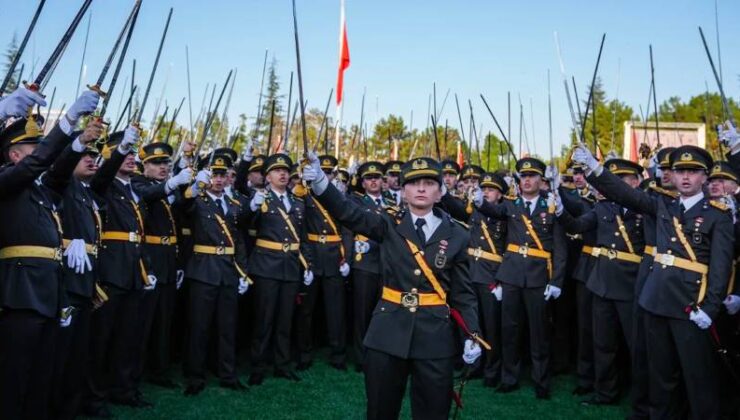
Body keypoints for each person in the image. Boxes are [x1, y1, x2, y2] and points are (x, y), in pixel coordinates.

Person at [303, 154, 483, 420]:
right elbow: (347, 212)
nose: (421, 188)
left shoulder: (457, 233)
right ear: (403, 191)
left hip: (435, 336)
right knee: (380, 410)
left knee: (433, 412)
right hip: (388, 331)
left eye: (428, 183)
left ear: (440, 191)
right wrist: (320, 182)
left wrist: (472, 333)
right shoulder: (387, 222)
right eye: (413, 183)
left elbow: (462, 293)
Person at [571, 143, 733, 419]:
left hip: (690, 305)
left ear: (704, 177)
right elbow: (624, 194)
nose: (685, 177)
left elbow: (720, 268)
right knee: (660, 374)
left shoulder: (718, 215)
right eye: (680, 171)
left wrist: (710, 307)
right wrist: (595, 168)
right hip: (655, 300)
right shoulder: (662, 205)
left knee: (697, 375)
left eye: (693, 172)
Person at [0, 87, 99, 420]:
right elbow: (41, 162)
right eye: (33, 146)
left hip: (49, 291)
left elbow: (56, 171)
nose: (41, 153)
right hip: (20, 293)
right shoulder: (7, 180)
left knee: (41, 378)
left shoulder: (41, 190)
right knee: (15, 380)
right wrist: (67, 119)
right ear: (14, 155)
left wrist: (78, 140)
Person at [473, 157, 567, 399]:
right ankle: (509, 377)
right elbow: (492, 209)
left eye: (532, 176)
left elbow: (560, 249)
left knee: (539, 333)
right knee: (509, 330)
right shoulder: (511, 205)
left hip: (538, 277)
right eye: (523, 176)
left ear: (540, 180)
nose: (527, 180)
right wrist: (479, 201)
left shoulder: (552, 206)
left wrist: (556, 281)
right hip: (511, 275)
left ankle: (541, 381)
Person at [556, 158, 646, 405]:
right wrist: (561, 211)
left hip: (631, 284)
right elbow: (577, 225)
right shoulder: (603, 208)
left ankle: (642, 399)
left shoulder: (644, 209)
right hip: (602, 282)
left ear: (636, 182)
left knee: (637, 346)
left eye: (621, 180)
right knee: (602, 343)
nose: (613, 186)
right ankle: (605, 392)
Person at [87, 125, 157, 411]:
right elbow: (103, 174)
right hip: (111, 271)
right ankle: (94, 396)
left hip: (133, 271)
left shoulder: (133, 190)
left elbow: (139, 234)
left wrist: (145, 267)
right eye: (124, 154)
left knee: (128, 337)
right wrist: (120, 150)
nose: (131, 159)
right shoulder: (103, 183)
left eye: (132, 155)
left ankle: (124, 389)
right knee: (102, 338)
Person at [52, 121, 107, 420]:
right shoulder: (61, 183)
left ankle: (72, 408)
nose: (91, 158)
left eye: (94, 155)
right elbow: (58, 170)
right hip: (65, 282)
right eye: (85, 153)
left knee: (78, 355)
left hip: (85, 281)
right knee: (63, 355)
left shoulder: (86, 192)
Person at [182, 155, 249, 395]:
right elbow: (182, 206)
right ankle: (195, 377)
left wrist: (243, 271)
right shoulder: (197, 201)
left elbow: (238, 240)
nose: (218, 179)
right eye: (213, 174)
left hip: (228, 271)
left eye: (222, 175)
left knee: (227, 327)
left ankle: (227, 374)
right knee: (199, 327)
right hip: (203, 269)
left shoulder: (232, 205)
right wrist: (194, 185)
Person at [247, 153, 312, 385]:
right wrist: (252, 207)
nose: (283, 174)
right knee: (264, 320)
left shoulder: (297, 201)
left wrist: (308, 264)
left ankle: (282, 365)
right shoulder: (260, 199)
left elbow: (302, 237)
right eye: (276, 171)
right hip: (266, 265)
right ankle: (258, 366)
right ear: (267, 177)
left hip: (291, 266)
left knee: (285, 320)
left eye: (285, 171)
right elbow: (243, 225)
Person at [132, 142, 192, 389]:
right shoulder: (138, 183)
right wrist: (173, 183)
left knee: (163, 321)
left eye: (166, 163)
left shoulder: (170, 189)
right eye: (156, 163)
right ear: (144, 165)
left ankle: (160, 369)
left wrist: (191, 188)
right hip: (149, 259)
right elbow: (148, 195)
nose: (163, 167)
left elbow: (180, 217)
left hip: (168, 259)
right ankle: (135, 372)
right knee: (143, 322)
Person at [441, 172, 508, 387]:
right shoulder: (475, 210)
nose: (486, 192)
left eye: (491, 189)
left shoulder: (506, 214)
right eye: (484, 189)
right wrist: (443, 193)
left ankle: (492, 369)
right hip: (470, 271)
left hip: (491, 275)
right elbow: (457, 210)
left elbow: (510, 249)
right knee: (471, 324)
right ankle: (473, 365)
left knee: (491, 326)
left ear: (500, 195)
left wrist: (502, 279)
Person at [297, 154, 351, 371]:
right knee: (306, 311)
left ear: (334, 175)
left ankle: (338, 355)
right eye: (323, 172)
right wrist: (305, 260)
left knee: (336, 310)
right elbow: (299, 230)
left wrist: (346, 257)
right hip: (312, 254)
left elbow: (347, 229)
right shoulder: (304, 195)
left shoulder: (337, 197)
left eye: (329, 173)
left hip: (334, 257)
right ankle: (304, 353)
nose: (326, 176)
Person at [348, 161, 395, 372]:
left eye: (377, 177)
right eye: (369, 178)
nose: (374, 181)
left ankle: (379, 354)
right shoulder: (356, 201)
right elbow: (348, 228)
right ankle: (361, 357)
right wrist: (348, 257)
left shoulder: (391, 200)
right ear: (363, 182)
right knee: (362, 313)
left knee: (383, 313)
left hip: (386, 263)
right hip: (364, 263)